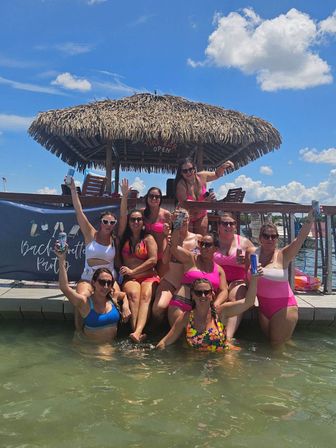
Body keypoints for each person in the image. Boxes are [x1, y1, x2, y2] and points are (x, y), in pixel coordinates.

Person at [245, 209, 317, 348]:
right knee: (276, 345)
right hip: (263, 308)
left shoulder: (283, 255)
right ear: (260, 238)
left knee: (275, 347)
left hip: (283, 308)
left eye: (274, 236)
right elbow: (247, 277)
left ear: (277, 239)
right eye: (266, 236)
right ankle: (296, 356)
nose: (270, 239)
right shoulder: (251, 253)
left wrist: (309, 219)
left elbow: (300, 238)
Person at [156, 274, 261, 351]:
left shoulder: (221, 312)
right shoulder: (186, 318)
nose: (203, 296)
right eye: (198, 293)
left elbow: (249, 302)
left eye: (206, 292)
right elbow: (165, 342)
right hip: (198, 361)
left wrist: (254, 278)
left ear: (212, 295)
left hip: (223, 357)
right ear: (192, 295)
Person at [69, 177, 119, 330]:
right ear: (100, 222)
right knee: (81, 299)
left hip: (108, 281)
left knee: (122, 299)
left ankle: (116, 331)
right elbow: (79, 211)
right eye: (105, 221)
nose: (108, 225)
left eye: (112, 223)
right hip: (88, 277)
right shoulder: (91, 234)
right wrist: (72, 189)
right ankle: (78, 331)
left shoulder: (115, 239)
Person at [55, 245, 131, 344]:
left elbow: (124, 295)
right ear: (94, 282)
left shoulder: (112, 298)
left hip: (111, 345)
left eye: (109, 283)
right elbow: (64, 287)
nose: (106, 286)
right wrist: (61, 259)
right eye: (102, 282)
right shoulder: (85, 302)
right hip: (92, 348)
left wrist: (125, 306)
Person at [118, 178, 160, 343]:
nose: (136, 222)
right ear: (129, 223)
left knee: (146, 295)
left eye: (138, 219)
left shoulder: (148, 238)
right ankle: (137, 333)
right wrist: (124, 197)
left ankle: (137, 333)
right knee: (134, 295)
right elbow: (121, 215)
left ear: (143, 223)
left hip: (148, 275)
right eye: (132, 219)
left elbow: (153, 260)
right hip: (131, 278)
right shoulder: (124, 237)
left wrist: (133, 271)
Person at [168, 222, 228, 327]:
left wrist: (216, 304)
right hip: (182, 303)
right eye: (201, 244)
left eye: (208, 245)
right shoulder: (191, 258)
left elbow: (224, 291)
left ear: (215, 249)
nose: (204, 247)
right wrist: (178, 222)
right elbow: (173, 247)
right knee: (180, 339)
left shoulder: (219, 270)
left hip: (204, 309)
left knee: (197, 341)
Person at [152, 209, 201, 325]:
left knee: (181, 311)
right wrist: (169, 242)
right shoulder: (169, 237)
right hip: (170, 281)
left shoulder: (197, 239)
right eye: (177, 218)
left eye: (184, 217)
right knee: (158, 308)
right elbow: (164, 260)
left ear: (189, 219)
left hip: (188, 284)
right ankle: (155, 331)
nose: (181, 220)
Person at [214, 212, 254, 339]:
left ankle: (228, 337)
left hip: (237, 280)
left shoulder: (244, 243)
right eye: (225, 223)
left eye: (232, 223)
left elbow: (257, 262)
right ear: (219, 226)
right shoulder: (212, 241)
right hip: (218, 279)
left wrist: (245, 263)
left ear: (236, 226)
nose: (229, 226)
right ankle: (211, 330)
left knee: (236, 297)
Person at [174, 157, 235, 235]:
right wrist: (206, 202)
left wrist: (222, 166)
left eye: (190, 169)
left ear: (194, 169)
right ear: (181, 173)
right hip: (183, 215)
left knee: (201, 240)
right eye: (185, 171)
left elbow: (216, 174)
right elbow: (186, 206)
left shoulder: (202, 176)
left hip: (201, 214)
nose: (188, 172)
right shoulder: (180, 185)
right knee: (183, 241)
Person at [141, 187, 171, 277]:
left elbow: (172, 233)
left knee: (161, 280)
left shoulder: (166, 214)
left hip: (162, 253)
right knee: (148, 280)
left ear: (160, 199)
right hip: (146, 254)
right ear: (147, 198)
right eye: (151, 196)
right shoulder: (142, 212)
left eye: (157, 197)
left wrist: (167, 233)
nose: (154, 199)